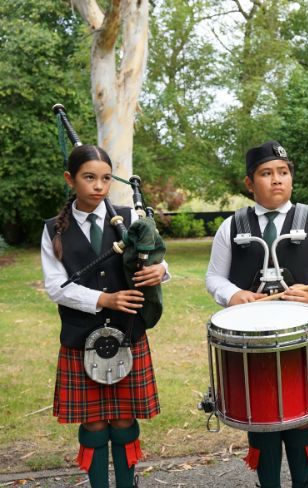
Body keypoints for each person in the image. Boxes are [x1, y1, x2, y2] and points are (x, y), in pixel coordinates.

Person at [205, 140, 308, 488]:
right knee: (260, 419)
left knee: (301, 420)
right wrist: (232, 294)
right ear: (250, 183)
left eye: (283, 172)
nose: (277, 180)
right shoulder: (232, 226)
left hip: (304, 338)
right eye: (266, 173)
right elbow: (213, 277)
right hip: (250, 344)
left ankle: (303, 483)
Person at [41, 144, 169, 488]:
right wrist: (105, 299)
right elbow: (56, 287)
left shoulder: (129, 219)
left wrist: (160, 271)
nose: (98, 186)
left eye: (106, 179)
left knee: (124, 418)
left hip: (129, 334)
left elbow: (155, 257)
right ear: (70, 179)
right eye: (89, 178)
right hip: (81, 339)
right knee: (95, 422)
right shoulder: (54, 228)